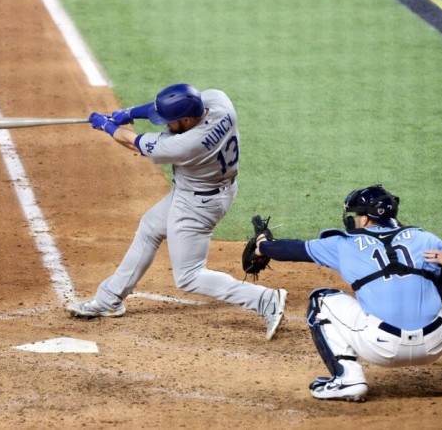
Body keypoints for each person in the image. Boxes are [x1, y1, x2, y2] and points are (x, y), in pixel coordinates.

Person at [66, 83, 288, 341]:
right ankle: (109, 299)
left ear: (186, 120)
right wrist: (130, 112)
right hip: (211, 190)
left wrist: (107, 126)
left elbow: (131, 142)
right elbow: (176, 107)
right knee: (150, 227)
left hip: (196, 206)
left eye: (170, 122)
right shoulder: (220, 102)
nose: (166, 125)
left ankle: (264, 300)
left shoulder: (184, 145)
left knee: (190, 277)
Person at [253, 184, 442, 402]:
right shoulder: (427, 240)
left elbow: (291, 249)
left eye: (357, 214)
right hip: (435, 344)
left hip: (381, 348)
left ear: (366, 219)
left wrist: (262, 245)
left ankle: (348, 379)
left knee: (321, 300)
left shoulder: (343, 244)